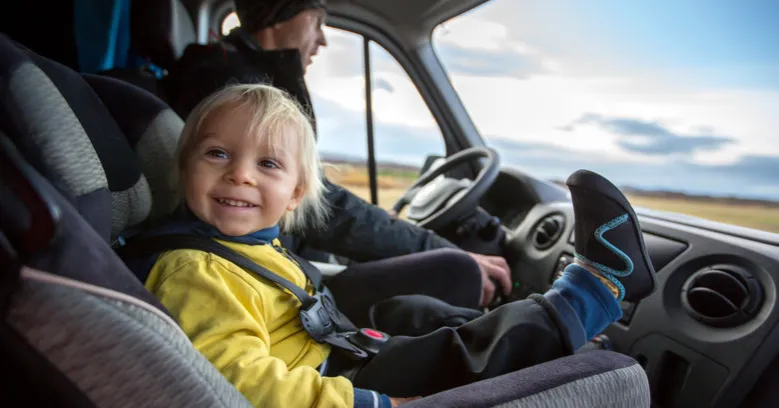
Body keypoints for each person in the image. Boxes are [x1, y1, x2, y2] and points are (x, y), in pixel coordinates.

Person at [139, 84, 656, 407]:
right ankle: (595, 292)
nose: (240, 175)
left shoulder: (254, 247)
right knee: (455, 354)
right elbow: (236, 382)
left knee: (415, 312)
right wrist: (368, 402)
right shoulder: (195, 269)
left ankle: (556, 341)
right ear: (184, 171)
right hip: (332, 385)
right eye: (217, 154)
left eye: (267, 164)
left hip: (330, 352)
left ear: (295, 195)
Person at [162, 0, 512, 312]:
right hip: (267, 273)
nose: (323, 38)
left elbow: (320, 203)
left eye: (268, 163)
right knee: (457, 272)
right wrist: (439, 249)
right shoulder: (233, 90)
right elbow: (325, 210)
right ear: (280, 14)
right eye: (316, 20)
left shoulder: (237, 74)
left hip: (286, 260)